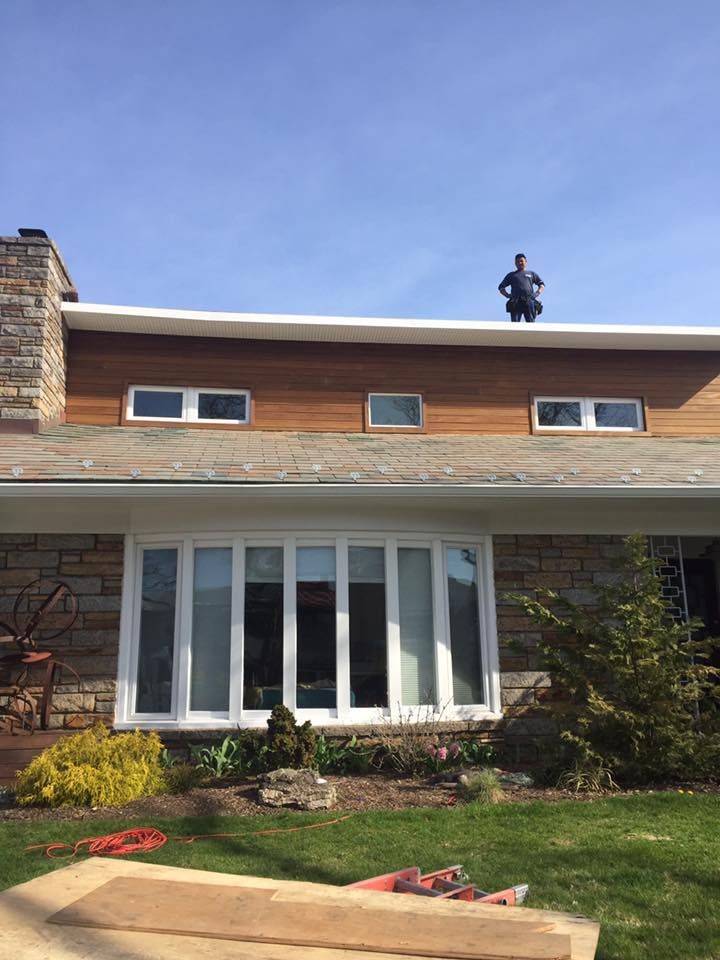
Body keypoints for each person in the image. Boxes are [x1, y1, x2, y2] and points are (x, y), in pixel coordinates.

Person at [498, 254, 545, 323]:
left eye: (521, 261)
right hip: (516, 301)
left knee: (531, 323)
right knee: (515, 324)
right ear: (515, 263)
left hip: (529, 301)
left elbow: (542, 285)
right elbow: (501, 287)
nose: (520, 263)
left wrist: (537, 293)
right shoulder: (511, 275)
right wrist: (507, 295)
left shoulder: (531, 274)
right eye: (517, 261)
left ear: (526, 261)